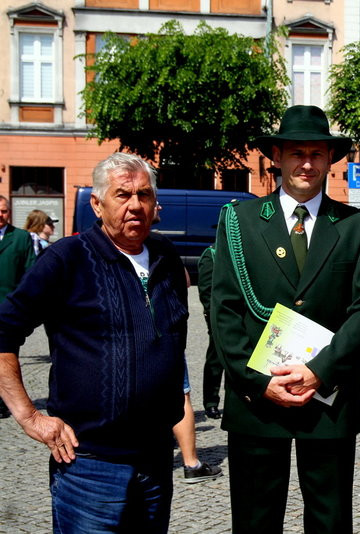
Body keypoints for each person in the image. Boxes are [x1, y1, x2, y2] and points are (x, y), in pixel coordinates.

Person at [211, 105, 360, 534]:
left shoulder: (355, 225)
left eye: (316, 153)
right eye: (296, 153)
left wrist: (319, 372)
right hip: (257, 402)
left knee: (329, 521)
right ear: (277, 157)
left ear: (330, 160)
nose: (306, 163)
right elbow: (224, 309)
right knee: (255, 519)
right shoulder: (241, 221)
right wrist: (257, 382)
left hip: (327, 398)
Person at [0, 153, 188, 532]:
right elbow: (4, 331)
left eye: (144, 195)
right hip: (89, 465)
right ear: (97, 204)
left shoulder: (167, 257)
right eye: (122, 194)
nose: (135, 205)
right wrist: (30, 417)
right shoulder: (67, 259)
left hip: (155, 460)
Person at [0, 195, 36, 419]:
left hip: (7, 309)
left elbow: (29, 273)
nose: (0, 215)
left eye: (3, 211)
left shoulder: (21, 237)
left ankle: (5, 402)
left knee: (6, 356)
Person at [197, 245, 223, 419]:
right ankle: (211, 402)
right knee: (215, 359)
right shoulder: (211, 254)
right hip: (218, 316)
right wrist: (212, 316)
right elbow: (206, 290)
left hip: (241, 314)